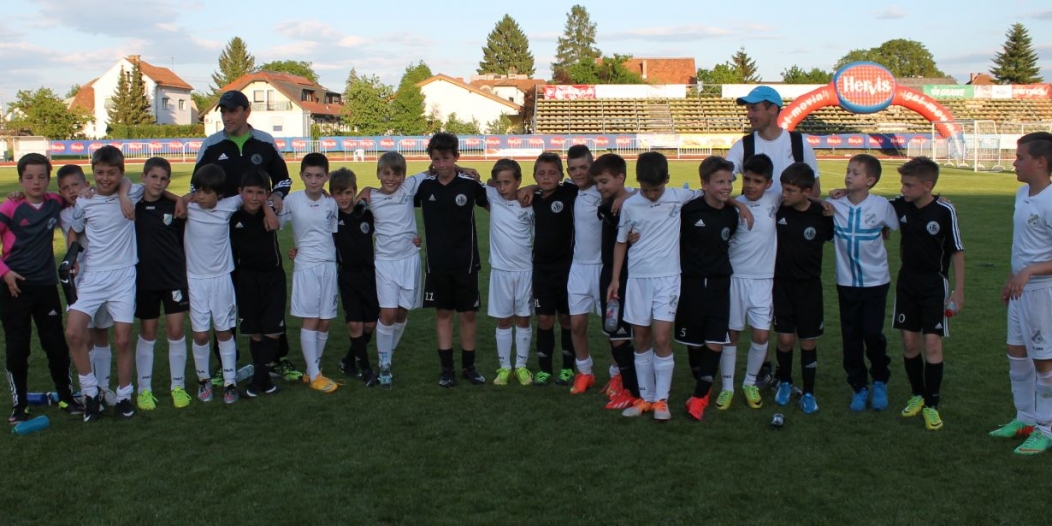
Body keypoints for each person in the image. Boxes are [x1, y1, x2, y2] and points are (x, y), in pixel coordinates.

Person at [194, 89, 301, 383]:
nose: (227, 117)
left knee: (270, 294)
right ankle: (225, 363)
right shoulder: (212, 145)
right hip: (223, 233)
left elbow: (284, 179)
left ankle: (277, 358)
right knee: (225, 298)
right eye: (223, 112)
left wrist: (275, 198)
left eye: (233, 111)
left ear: (246, 111)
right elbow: (196, 185)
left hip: (262, 228)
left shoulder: (264, 142)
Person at [607, 152, 696, 421]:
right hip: (637, 280)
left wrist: (740, 205)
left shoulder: (679, 196)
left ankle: (661, 401)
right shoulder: (631, 205)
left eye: (657, 190)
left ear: (667, 179)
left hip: (668, 279)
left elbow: (713, 191)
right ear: (638, 183)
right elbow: (621, 242)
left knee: (661, 338)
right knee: (641, 338)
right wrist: (615, 279)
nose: (653, 195)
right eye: (646, 190)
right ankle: (645, 398)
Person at [65, 146, 145, 421]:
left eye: (112, 173)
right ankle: (91, 394)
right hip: (93, 276)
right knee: (74, 332)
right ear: (93, 172)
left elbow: (135, 182)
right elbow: (74, 231)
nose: (105, 178)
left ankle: (124, 396)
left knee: (122, 340)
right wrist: (72, 257)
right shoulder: (84, 201)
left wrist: (123, 195)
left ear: (120, 173)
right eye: (100, 172)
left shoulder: (131, 193)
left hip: (123, 276)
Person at [1, 154, 81, 423]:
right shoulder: (10, 207)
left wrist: (88, 190)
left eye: (41, 177)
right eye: (29, 177)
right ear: (20, 179)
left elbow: (75, 197)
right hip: (14, 287)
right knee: (17, 348)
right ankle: (19, 404)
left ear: (48, 180)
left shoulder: (54, 202)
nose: (35, 182)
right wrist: (5, 273)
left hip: (46, 286)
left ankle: (66, 397)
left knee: (56, 345)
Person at [889, 157, 964, 431]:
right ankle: (917, 395)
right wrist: (842, 193)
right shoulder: (901, 205)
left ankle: (932, 405)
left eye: (909, 185)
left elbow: (957, 251)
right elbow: (870, 204)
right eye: (902, 184)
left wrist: (958, 291)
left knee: (932, 344)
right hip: (907, 283)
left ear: (927, 185)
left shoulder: (944, 210)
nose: (903, 189)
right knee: (910, 343)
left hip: (934, 285)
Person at [414, 132, 489, 387]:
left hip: (466, 263)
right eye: (436, 159)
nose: (441, 164)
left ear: (456, 156)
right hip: (437, 264)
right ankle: (447, 370)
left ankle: (469, 367)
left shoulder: (470, 185)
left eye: (446, 159)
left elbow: (496, 203)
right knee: (443, 313)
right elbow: (397, 199)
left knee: (468, 315)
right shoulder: (425, 187)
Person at [993, 132, 1052, 454]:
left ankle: (1046, 428)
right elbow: (1025, 246)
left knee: (1044, 362)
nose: (1014, 162)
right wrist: (1013, 277)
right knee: (1016, 353)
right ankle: (1025, 418)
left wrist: (1029, 272)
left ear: (1040, 162)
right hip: (1020, 290)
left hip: (1043, 292)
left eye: (1020, 157)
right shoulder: (1021, 194)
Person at [828, 154, 899, 411]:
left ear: (870, 180)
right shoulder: (834, 205)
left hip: (876, 282)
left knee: (872, 333)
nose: (848, 175)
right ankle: (858, 386)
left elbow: (905, 212)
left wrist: (940, 199)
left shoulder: (882, 206)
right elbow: (808, 203)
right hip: (846, 283)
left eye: (855, 172)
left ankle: (879, 379)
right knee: (851, 337)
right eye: (848, 171)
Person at [679, 157, 742, 421]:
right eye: (720, 182)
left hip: (719, 283)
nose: (726, 186)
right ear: (704, 184)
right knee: (694, 344)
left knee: (715, 340)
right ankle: (703, 384)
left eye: (729, 181)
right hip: (691, 284)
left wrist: (737, 204)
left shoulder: (731, 214)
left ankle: (699, 397)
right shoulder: (688, 211)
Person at [357, 152, 424, 388]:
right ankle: (384, 362)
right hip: (385, 263)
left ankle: (388, 355)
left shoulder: (409, 188)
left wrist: (463, 169)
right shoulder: (371, 198)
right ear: (378, 174)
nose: (391, 178)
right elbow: (346, 208)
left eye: (397, 174)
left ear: (404, 176)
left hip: (410, 260)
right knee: (387, 313)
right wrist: (365, 190)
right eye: (386, 173)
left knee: (402, 313)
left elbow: (436, 168)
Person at [772, 163, 834, 415]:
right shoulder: (778, 210)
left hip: (810, 287)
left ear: (807, 192)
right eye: (783, 189)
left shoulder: (821, 214)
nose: (784, 194)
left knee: (808, 341)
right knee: (785, 339)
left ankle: (809, 392)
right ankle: (785, 382)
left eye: (790, 190)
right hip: (782, 285)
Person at [722, 154, 780, 411]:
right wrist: (737, 202)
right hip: (735, 279)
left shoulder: (775, 200)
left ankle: (749, 382)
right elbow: (709, 192)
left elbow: (802, 193)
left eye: (757, 181)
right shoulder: (731, 205)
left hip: (763, 281)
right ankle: (727, 387)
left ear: (768, 184)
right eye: (746, 179)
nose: (750, 185)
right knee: (732, 334)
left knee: (761, 334)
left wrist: (832, 198)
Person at [279, 153, 340, 393]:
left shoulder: (331, 203)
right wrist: (293, 250)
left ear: (326, 177)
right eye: (308, 175)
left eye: (318, 176)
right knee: (311, 319)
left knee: (325, 320)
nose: (313, 180)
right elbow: (276, 224)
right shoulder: (292, 201)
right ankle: (315, 375)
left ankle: (312, 369)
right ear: (301, 176)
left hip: (329, 265)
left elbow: (331, 232)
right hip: (306, 266)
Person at [185, 163, 245, 405]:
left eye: (207, 192)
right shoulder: (189, 207)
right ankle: (204, 380)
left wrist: (269, 208)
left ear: (219, 194)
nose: (201, 196)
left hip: (222, 280)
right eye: (197, 190)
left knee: (223, 331)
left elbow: (253, 194)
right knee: (200, 334)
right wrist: (184, 197)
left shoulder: (228, 205)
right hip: (195, 280)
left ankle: (230, 383)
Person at [56, 165, 115, 407]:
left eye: (75, 185)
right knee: (82, 335)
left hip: (103, 275)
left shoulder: (96, 201)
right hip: (79, 281)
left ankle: (104, 388)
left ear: (86, 184)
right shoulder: (61, 213)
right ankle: (89, 390)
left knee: (101, 332)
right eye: (65, 188)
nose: (72, 191)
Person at [133, 157, 190, 410]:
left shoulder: (175, 207)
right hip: (145, 280)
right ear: (143, 177)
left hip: (174, 278)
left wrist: (179, 199)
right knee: (148, 332)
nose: (158, 182)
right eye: (153, 177)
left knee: (176, 331)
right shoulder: (133, 205)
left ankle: (178, 386)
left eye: (163, 178)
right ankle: (144, 389)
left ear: (168, 181)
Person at [229, 169, 284, 397]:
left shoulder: (272, 212)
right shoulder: (233, 217)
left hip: (273, 277)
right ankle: (266, 382)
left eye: (260, 193)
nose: (254, 197)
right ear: (240, 192)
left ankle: (255, 383)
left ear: (267, 194)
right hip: (246, 279)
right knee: (256, 332)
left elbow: (277, 221)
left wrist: (267, 208)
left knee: (273, 331)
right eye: (249, 192)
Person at [593, 153, 642, 410]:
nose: (599, 187)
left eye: (604, 182)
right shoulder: (609, 204)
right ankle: (626, 384)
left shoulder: (631, 203)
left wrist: (630, 196)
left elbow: (658, 192)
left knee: (621, 335)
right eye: (597, 183)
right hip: (609, 275)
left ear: (620, 177)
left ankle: (632, 390)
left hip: (623, 277)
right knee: (614, 333)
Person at [525, 152, 577, 386]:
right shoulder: (532, 198)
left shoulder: (569, 193)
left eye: (552, 173)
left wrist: (533, 185)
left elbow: (587, 181)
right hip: (541, 269)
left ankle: (567, 369)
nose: (546, 177)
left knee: (566, 318)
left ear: (561, 175)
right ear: (535, 175)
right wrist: (531, 187)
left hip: (567, 268)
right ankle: (544, 370)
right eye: (541, 173)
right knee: (544, 318)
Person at [485, 159, 535, 386]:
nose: (502, 187)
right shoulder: (493, 196)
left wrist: (533, 187)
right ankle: (505, 367)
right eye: (499, 183)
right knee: (503, 319)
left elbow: (553, 185)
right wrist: (464, 168)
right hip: (500, 271)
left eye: (507, 182)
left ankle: (521, 366)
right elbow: (478, 181)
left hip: (525, 270)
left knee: (523, 318)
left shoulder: (529, 202)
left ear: (518, 181)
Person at [329, 168, 381, 387]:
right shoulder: (331, 217)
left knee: (369, 325)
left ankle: (349, 360)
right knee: (355, 325)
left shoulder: (366, 214)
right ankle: (367, 370)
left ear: (355, 191)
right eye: (338, 193)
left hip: (369, 275)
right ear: (332, 194)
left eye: (348, 193)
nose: (343, 198)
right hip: (347, 276)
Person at [727, 85, 820, 196]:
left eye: (754, 109)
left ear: (773, 109)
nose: (749, 115)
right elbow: (723, 177)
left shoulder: (799, 143)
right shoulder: (743, 145)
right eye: (748, 109)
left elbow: (814, 189)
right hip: (753, 208)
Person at [565, 145, 606, 394]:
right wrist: (531, 187)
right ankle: (585, 372)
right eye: (573, 169)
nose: (578, 173)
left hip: (604, 269)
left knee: (611, 327)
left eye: (583, 167)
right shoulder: (570, 191)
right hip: (578, 268)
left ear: (593, 166)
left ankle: (617, 376)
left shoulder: (605, 191)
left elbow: (632, 195)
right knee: (577, 324)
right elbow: (546, 185)